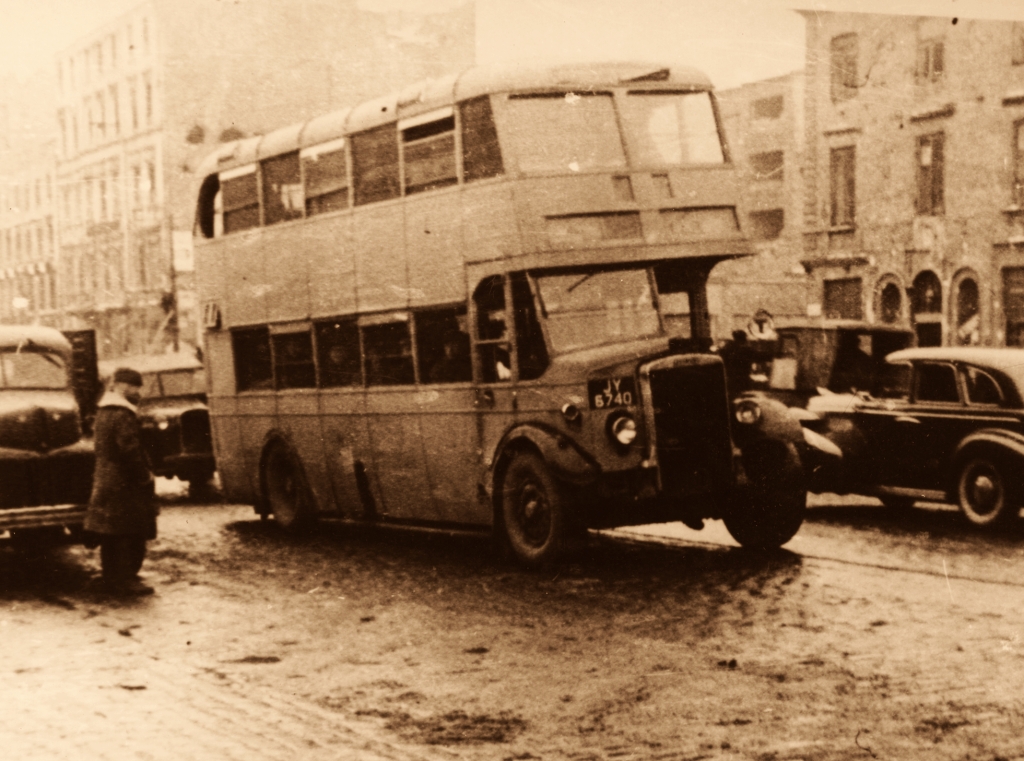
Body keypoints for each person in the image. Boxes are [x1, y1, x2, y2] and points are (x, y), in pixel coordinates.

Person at [84, 367, 157, 597]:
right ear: (124, 386)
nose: (137, 392)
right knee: (129, 530)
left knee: (110, 531)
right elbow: (129, 449)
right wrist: (144, 475)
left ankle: (111, 576)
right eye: (135, 387)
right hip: (123, 481)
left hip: (105, 477)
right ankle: (126, 579)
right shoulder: (123, 413)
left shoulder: (104, 410)